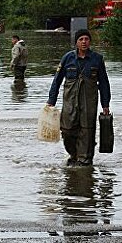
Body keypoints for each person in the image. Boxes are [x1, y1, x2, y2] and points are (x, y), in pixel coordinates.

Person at [46, 29, 111, 167]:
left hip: (89, 102)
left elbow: (104, 83)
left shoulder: (97, 59)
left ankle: (84, 160)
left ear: (90, 42)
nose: (84, 42)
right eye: (81, 39)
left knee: (87, 130)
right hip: (70, 101)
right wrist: (51, 102)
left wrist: (105, 105)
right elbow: (56, 81)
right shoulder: (67, 58)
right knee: (67, 130)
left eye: (86, 39)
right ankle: (74, 154)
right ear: (76, 42)